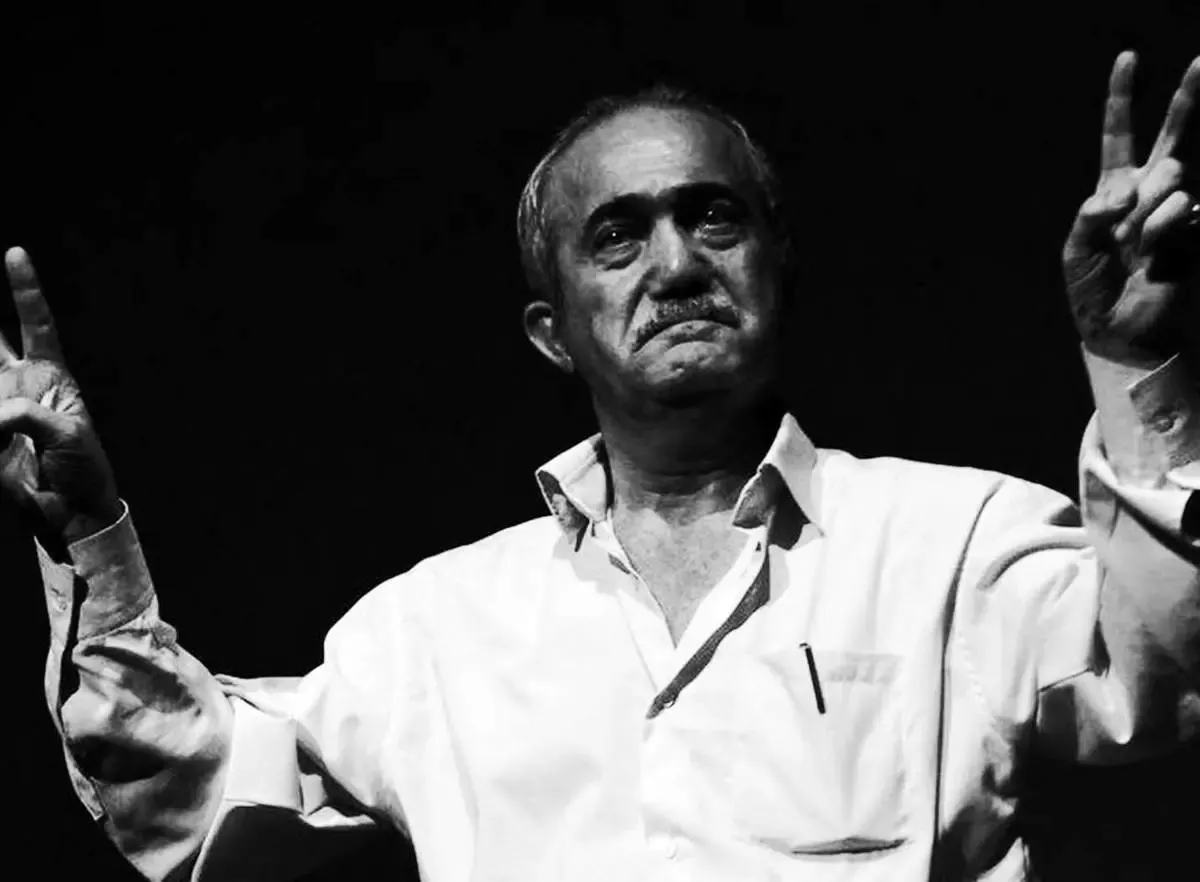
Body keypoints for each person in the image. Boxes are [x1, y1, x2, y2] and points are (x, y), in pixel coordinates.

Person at [2, 50, 1197, 882]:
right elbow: (190, 797)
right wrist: (89, 529)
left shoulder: (958, 545)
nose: (676, 264)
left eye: (713, 217)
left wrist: (1135, 362)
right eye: (618, 236)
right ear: (551, 331)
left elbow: (1168, 680)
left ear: (775, 267)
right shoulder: (434, 632)